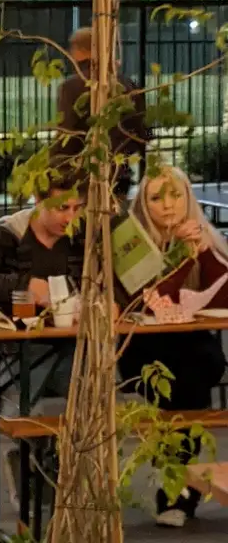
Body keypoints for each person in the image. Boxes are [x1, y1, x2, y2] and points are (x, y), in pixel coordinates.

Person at [0, 168, 86, 506]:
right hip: (15, 352)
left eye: (77, 208)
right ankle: (31, 463)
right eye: (61, 208)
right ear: (38, 200)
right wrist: (24, 286)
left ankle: (56, 472)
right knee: (30, 403)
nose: (70, 217)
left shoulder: (80, 237)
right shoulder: (9, 237)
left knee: (92, 394)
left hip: (70, 346)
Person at [117, 167, 228, 528]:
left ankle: (175, 488)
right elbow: (151, 301)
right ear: (143, 204)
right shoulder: (131, 242)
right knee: (184, 391)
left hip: (192, 343)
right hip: (142, 346)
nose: (168, 205)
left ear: (188, 198)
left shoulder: (203, 233)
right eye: (156, 197)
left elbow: (223, 297)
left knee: (200, 369)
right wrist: (181, 255)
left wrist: (204, 252)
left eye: (176, 195)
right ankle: (176, 493)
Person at [52, 27, 149, 200]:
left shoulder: (72, 87)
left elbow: (66, 134)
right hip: (120, 173)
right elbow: (142, 131)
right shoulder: (127, 84)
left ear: (79, 50)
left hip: (83, 175)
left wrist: (56, 167)